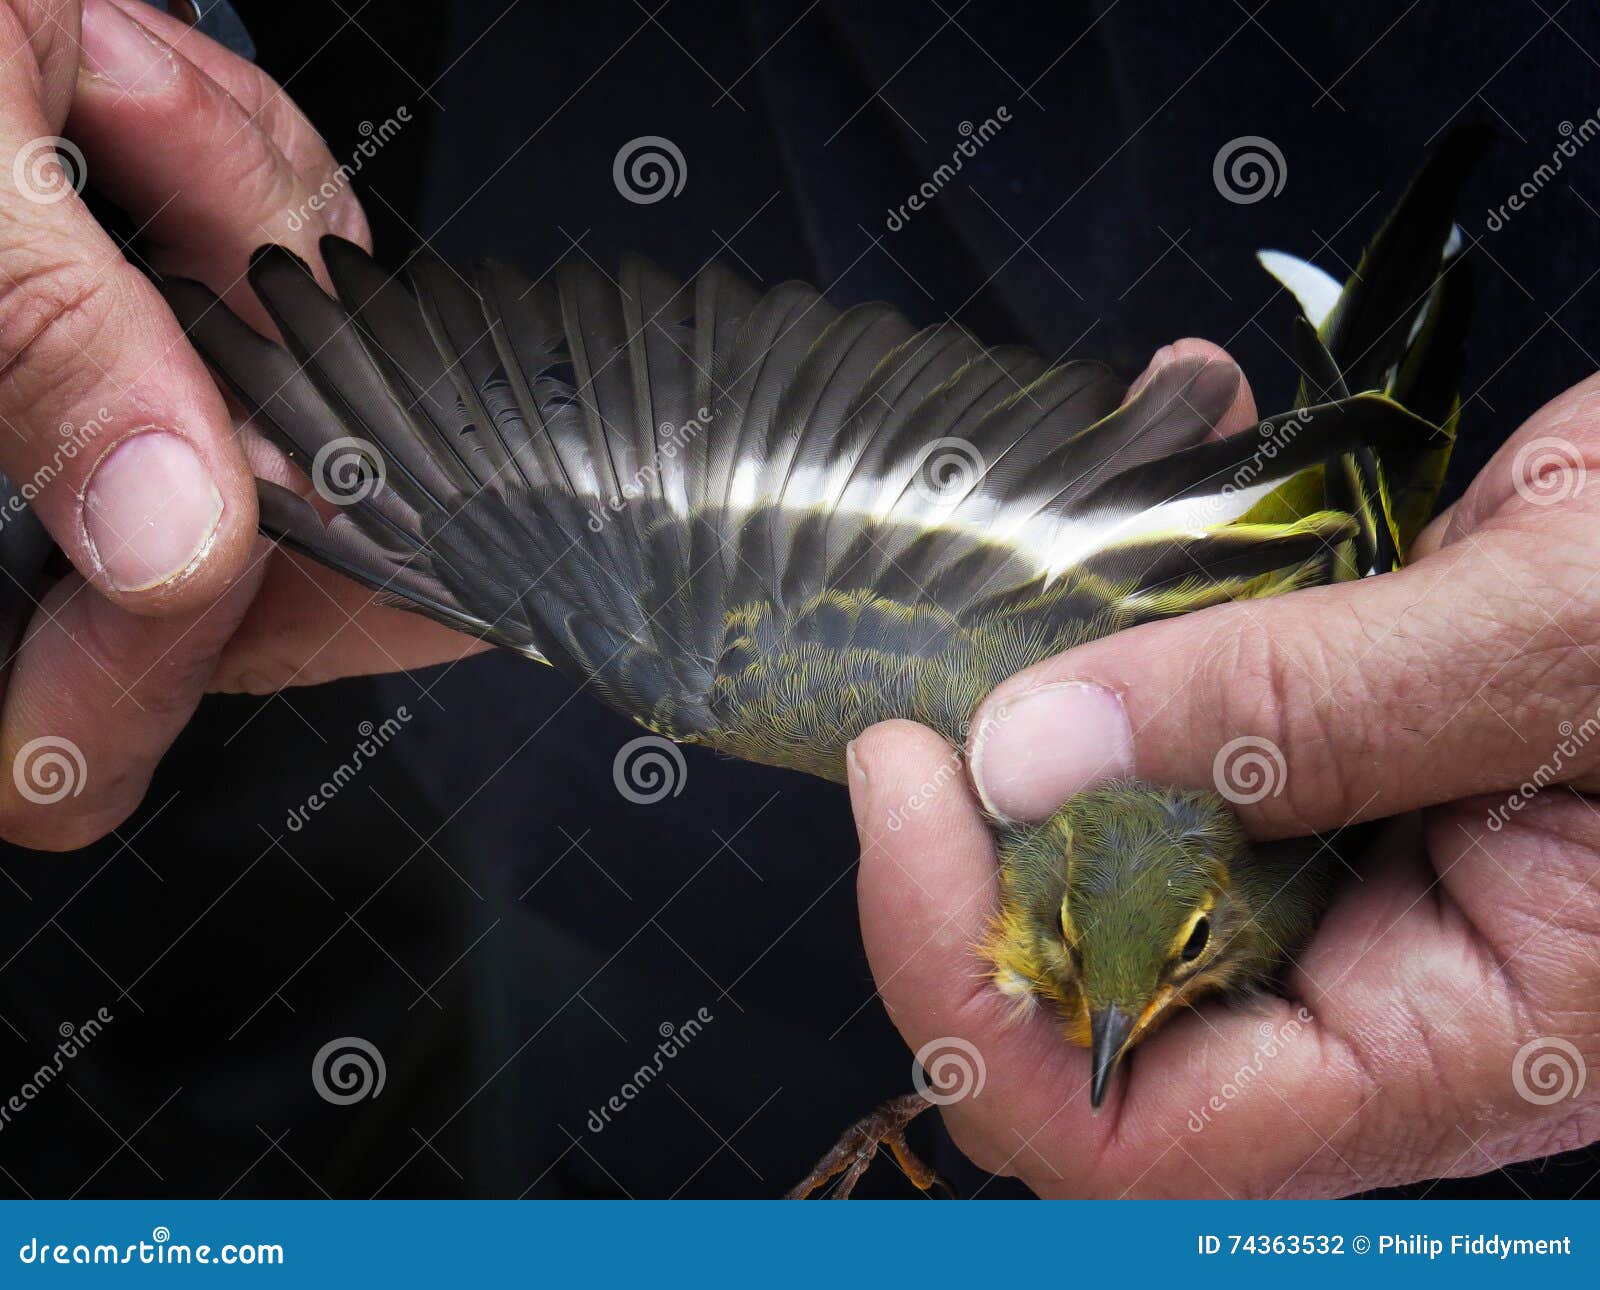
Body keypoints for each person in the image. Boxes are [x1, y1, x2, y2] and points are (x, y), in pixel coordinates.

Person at [0, 0, 1593, 1196]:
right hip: (670, 913)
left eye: (1162, 963)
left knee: (684, 651)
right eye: (1129, 970)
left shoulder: (1273, 892)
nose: (1119, 1013)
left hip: (1516, 976)